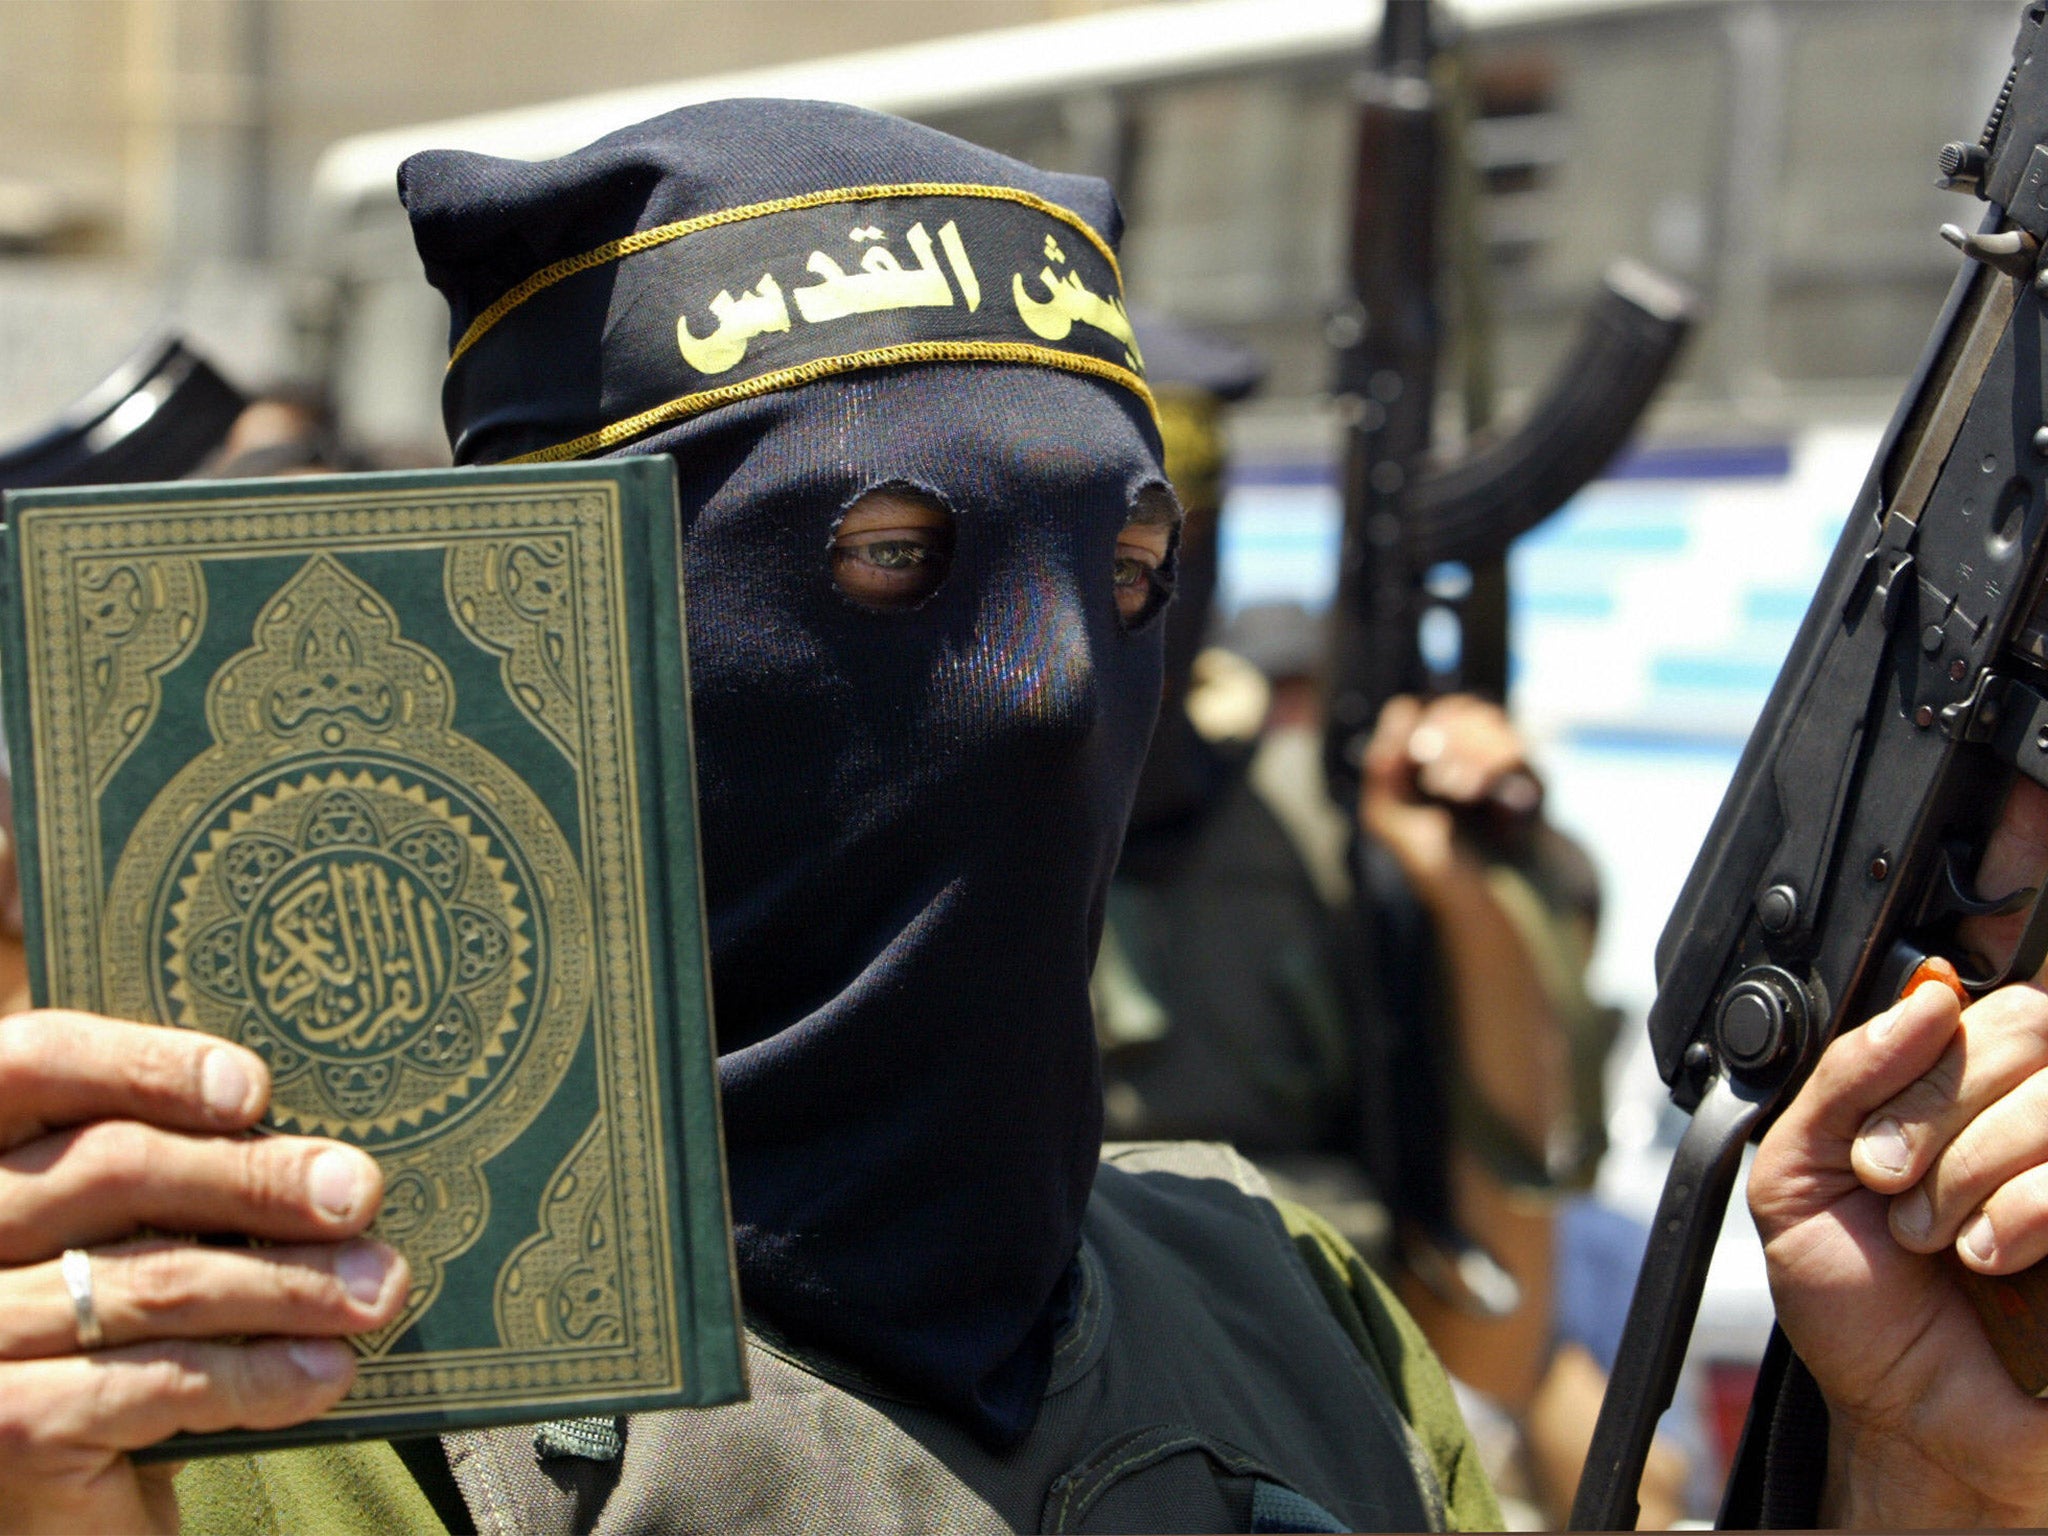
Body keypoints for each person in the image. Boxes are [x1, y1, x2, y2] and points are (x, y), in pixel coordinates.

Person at [0, 99, 2044, 1534]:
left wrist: (1922, 1483)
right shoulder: (268, 1376)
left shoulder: (1275, 1310)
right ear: (572, 626)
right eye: (893, 563)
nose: (1059, 678)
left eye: (1132, 574)